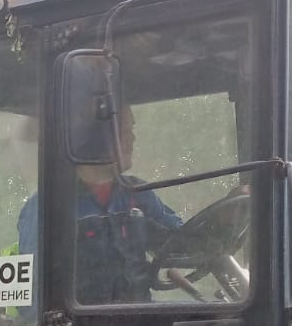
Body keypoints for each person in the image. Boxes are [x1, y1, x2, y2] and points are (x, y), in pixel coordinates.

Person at [17, 104, 184, 304]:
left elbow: (182, 242)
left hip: (141, 316)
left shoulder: (138, 195)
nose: (133, 138)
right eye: (124, 131)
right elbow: (32, 297)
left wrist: (222, 225)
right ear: (93, 138)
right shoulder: (48, 207)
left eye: (131, 130)